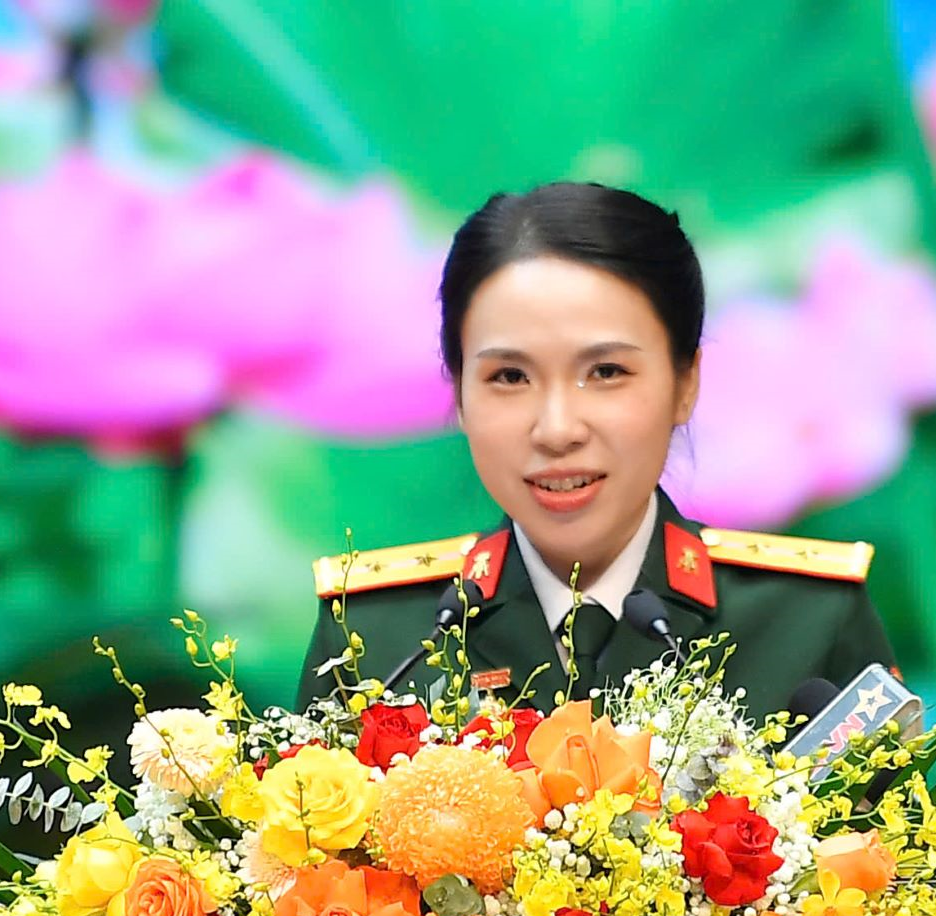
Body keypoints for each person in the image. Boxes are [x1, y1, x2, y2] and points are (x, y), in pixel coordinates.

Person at [295, 181, 896, 723]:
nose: (557, 430)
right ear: (456, 394)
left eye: (606, 372)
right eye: (509, 377)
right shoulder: (372, 639)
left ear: (686, 383)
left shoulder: (812, 619)